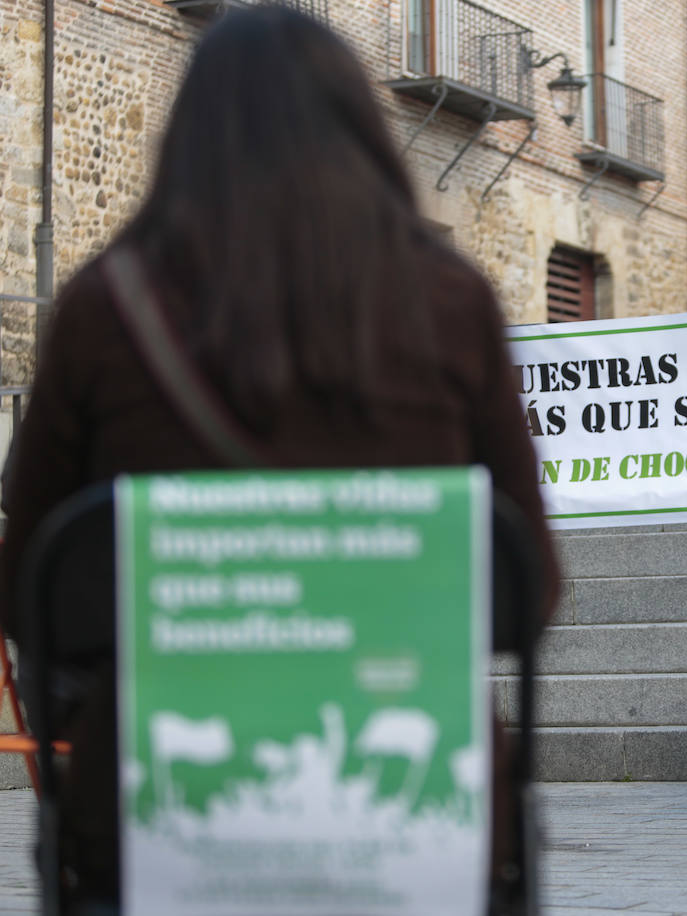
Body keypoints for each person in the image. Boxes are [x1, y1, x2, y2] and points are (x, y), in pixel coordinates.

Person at [0, 8, 557, 911]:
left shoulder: (105, 311)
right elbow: (525, 596)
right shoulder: (452, 303)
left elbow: (32, 587)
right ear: (360, 129)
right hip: (427, 826)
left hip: (151, 816)